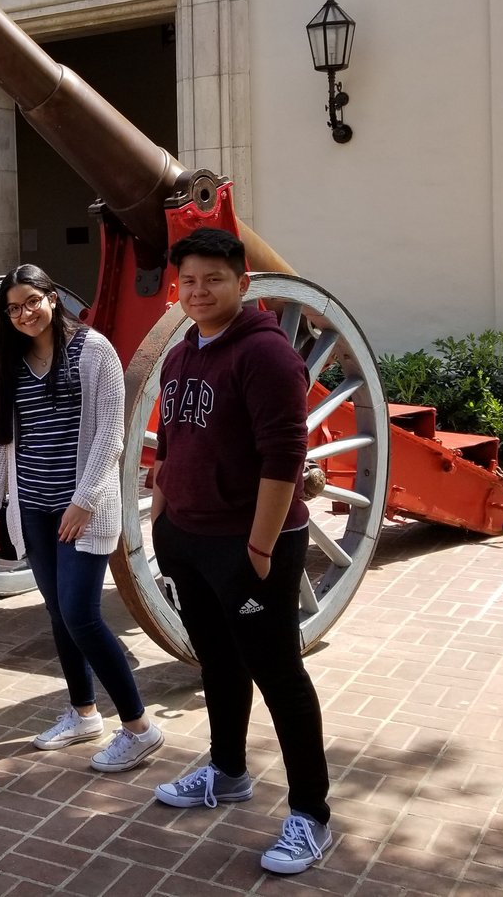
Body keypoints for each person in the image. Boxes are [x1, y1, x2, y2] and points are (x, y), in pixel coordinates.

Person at [149, 227, 332, 875]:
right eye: (187, 281)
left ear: (242, 283)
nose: (197, 292)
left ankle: (310, 812)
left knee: (278, 672)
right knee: (218, 663)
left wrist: (256, 550)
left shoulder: (266, 355)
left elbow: (286, 456)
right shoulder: (180, 355)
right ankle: (227, 770)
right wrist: (163, 520)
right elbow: (169, 444)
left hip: (250, 545)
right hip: (189, 540)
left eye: (212, 279)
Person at [0, 264, 163, 771]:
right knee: (59, 613)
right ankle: (83, 713)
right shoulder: (14, 362)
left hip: (81, 510)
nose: (23, 314)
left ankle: (139, 727)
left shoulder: (92, 351)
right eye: (13, 308)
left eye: (31, 302)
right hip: (32, 508)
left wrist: (85, 502)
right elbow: (3, 443)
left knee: (82, 614)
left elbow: (110, 437)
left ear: (53, 297)